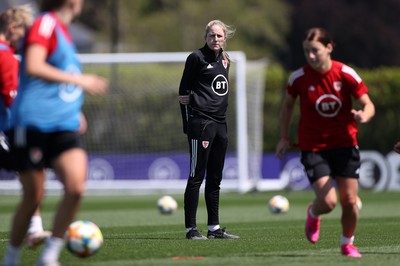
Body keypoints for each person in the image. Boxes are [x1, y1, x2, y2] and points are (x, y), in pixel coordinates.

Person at [2, 0, 108, 265]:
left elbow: (60, 79)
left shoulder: (64, 32)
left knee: (76, 187)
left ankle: (48, 257)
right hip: (32, 124)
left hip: (63, 125)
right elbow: (34, 67)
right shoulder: (45, 23)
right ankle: (11, 259)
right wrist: (81, 81)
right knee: (33, 197)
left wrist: (74, 109)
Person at [275, 27, 375, 258]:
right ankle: (313, 212)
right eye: (307, 51)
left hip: (346, 145)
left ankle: (347, 243)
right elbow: (287, 106)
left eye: (315, 51)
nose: (310, 56)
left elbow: (368, 104)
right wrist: (283, 137)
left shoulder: (346, 74)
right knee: (329, 202)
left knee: (349, 201)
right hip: (313, 147)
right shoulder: (298, 78)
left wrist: (364, 115)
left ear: (329, 48)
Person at [178, 19, 239, 240]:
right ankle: (191, 229)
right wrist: (189, 124)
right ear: (206, 37)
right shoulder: (196, 58)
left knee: (215, 178)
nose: (216, 39)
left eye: (219, 36)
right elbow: (183, 93)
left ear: (225, 38)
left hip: (220, 125)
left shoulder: (226, 60)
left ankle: (214, 228)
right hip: (200, 124)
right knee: (196, 176)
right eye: (212, 35)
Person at [0, 4, 52, 250]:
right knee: (34, 174)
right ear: (13, 28)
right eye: (25, 32)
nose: (28, 38)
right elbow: (12, 99)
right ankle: (34, 230)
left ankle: (35, 229)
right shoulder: (5, 56)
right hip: (6, 129)